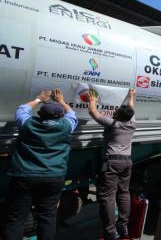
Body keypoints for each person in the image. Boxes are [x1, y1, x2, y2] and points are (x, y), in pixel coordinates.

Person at [2, 89, 78, 240]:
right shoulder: (66, 126)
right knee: (47, 217)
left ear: (40, 114)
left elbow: (22, 109)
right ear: (60, 115)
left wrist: (39, 99)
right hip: (53, 177)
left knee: (16, 219)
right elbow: (72, 115)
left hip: (25, 177)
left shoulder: (28, 124)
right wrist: (61, 101)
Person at [87, 89, 136, 240]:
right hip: (127, 161)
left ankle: (110, 231)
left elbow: (93, 113)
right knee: (123, 193)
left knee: (108, 197)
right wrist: (131, 96)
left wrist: (92, 100)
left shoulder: (113, 124)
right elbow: (131, 109)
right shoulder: (132, 123)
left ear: (118, 115)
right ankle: (123, 224)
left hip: (112, 162)